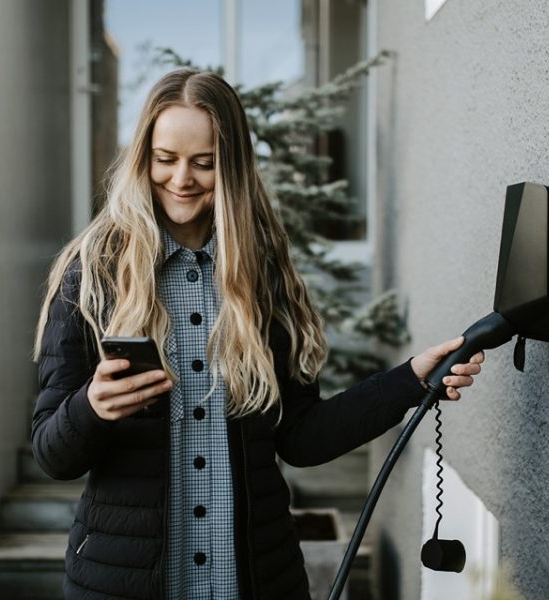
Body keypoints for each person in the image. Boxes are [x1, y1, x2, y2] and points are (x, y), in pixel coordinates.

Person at [30, 68, 485, 600]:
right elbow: (52, 453)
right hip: (117, 583)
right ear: (142, 158)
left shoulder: (264, 275)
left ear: (232, 166)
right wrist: (91, 408)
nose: (182, 179)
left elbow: (302, 436)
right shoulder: (92, 274)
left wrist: (409, 381)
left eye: (204, 162)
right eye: (165, 159)